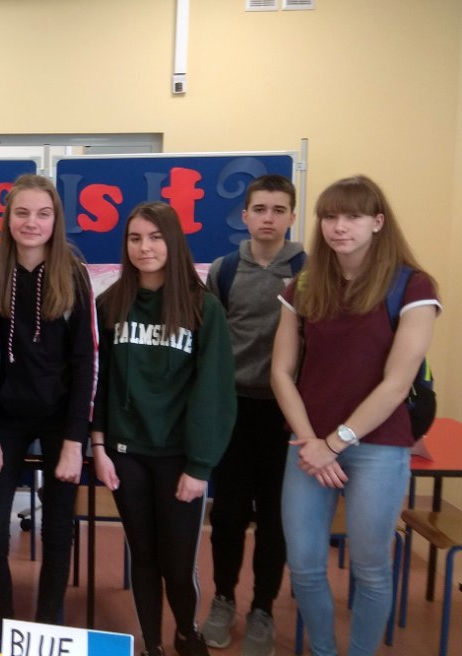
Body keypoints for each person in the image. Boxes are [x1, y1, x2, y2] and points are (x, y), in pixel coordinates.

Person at [271, 175, 439, 656]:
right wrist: (312, 442)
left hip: (378, 447)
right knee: (304, 564)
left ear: (377, 222)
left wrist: (334, 443)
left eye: (353, 216)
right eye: (329, 216)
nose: (339, 227)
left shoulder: (412, 285)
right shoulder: (304, 285)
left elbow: (397, 383)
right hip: (308, 446)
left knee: (370, 569)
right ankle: (324, 650)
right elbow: (280, 372)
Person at [92, 201, 236, 656]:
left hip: (178, 458)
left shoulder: (203, 308)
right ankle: (151, 643)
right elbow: (98, 382)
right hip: (125, 453)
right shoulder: (108, 305)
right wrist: (99, 445)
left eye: (155, 237)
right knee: (143, 556)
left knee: (177, 563)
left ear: (173, 242)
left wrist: (200, 465)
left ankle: (186, 633)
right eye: (135, 238)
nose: (145, 247)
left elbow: (214, 392)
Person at [0, 174, 97, 647]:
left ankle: (47, 628)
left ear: (55, 220)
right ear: (8, 218)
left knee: (58, 531)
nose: (32, 222)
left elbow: (86, 361)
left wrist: (74, 440)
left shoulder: (74, 273)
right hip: (3, 418)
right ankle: (4, 631)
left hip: (59, 417)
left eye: (43, 214)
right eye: (22, 213)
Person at [202, 175, 303, 656]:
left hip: (287, 414)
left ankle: (263, 607)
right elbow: (210, 342)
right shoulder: (223, 270)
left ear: (292, 216)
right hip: (233, 409)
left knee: (276, 519)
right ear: (244, 216)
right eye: (260, 209)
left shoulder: (308, 270)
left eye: (279, 210)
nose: (268, 218)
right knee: (227, 514)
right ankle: (223, 598)